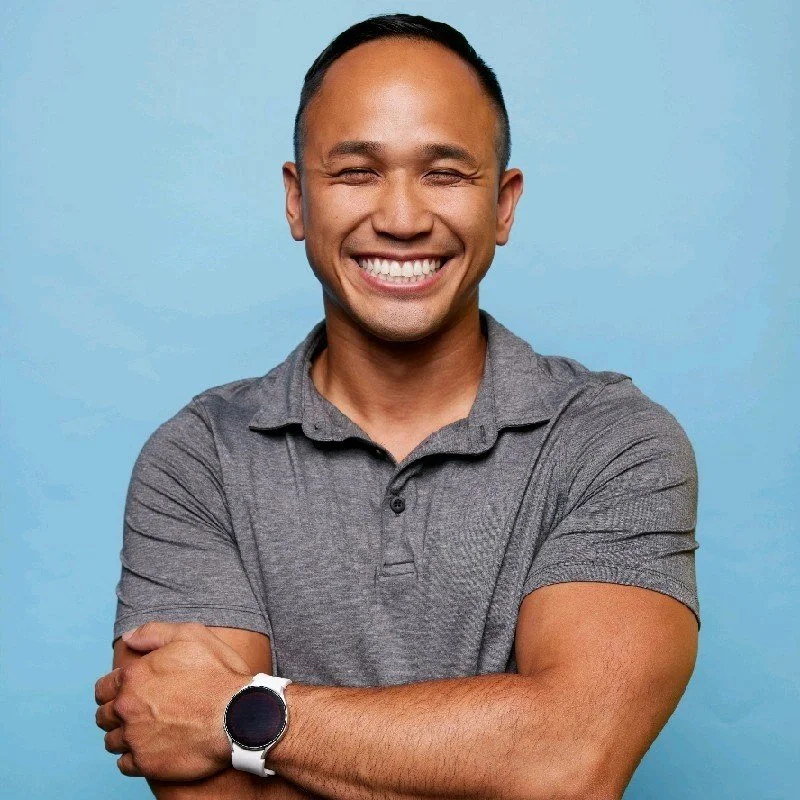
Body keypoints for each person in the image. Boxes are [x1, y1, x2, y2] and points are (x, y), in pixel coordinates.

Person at [94, 13, 700, 800]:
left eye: (445, 174)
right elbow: (196, 770)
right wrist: (498, 749)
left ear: (504, 204)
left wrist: (239, 715)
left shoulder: (614, 443)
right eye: (356, 173)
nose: (403, 219)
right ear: (297, 201)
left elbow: (569, 761)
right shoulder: (198, 459)